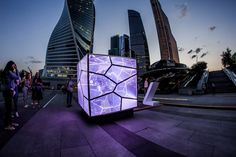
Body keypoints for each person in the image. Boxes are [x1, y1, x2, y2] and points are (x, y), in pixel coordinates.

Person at [2, 61, 19, 130]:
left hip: (9, 91)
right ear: (10, 65)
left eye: (14, 65)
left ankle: (10, 123)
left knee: (10, 108)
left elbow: (15, 80)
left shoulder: (9, 71)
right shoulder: (8, 72)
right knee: (8, 109)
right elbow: (17, 77)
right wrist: (17, 69)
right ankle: (7, 125)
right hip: (8, 91)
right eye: (13, 65)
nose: (14, 66)